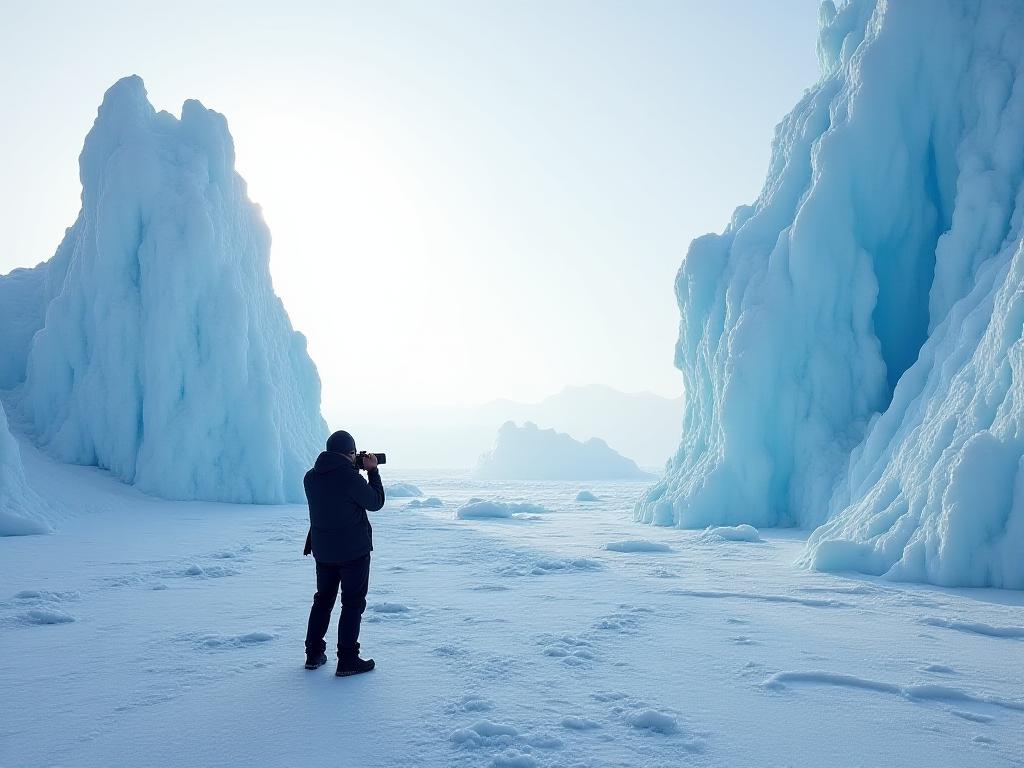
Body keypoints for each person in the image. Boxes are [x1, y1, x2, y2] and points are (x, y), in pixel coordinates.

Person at [302, 430, 385, 676]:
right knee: (352, 603)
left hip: (324, 552)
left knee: (323, 601)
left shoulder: (310, 478)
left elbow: (333, 495)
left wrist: (353, 469)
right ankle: (348, 659)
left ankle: (313, 653)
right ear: (350, 453)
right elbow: (376, 502)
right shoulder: (351, 479)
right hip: (353, 553)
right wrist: (373, 471)